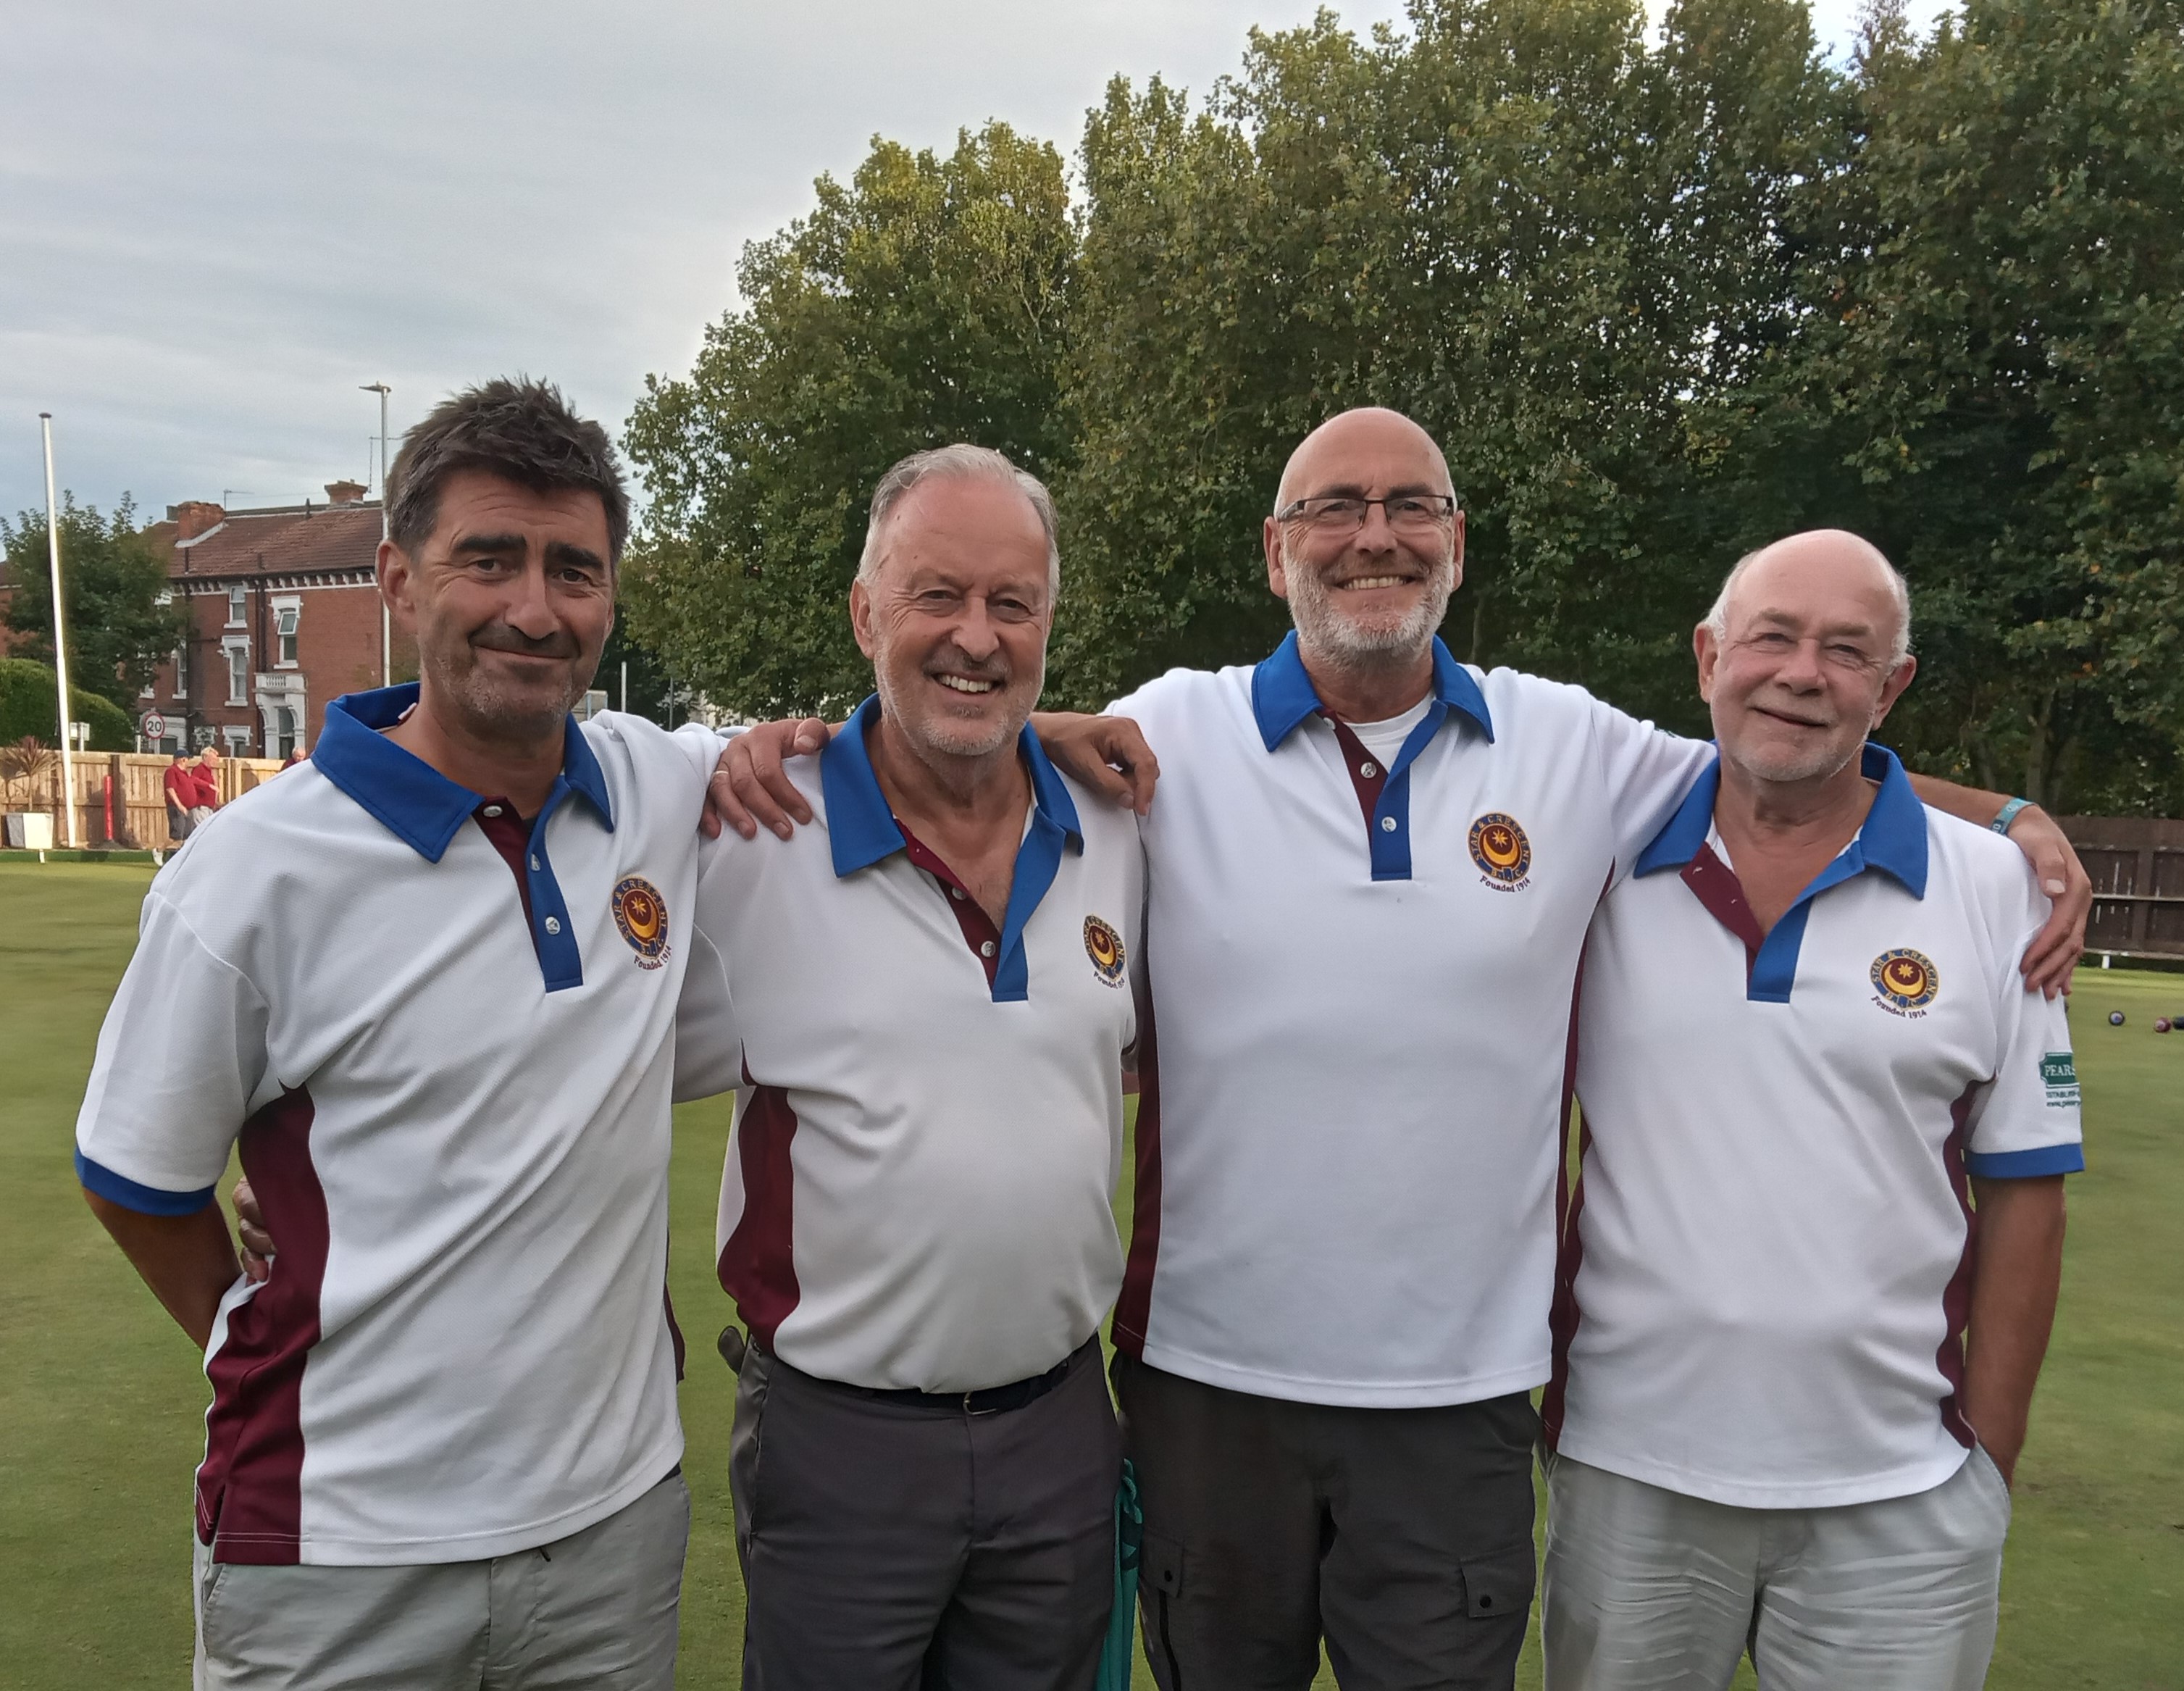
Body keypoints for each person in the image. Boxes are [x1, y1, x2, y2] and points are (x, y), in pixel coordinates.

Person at [717, 408, 2090, 1691]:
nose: (1373, 535)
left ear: (1454, 541)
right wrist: (859, 738)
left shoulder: (1569, 745)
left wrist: (2010, 817)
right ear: (1275, 550)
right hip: (1208, 1387)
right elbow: (968, 735)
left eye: (1410, 506)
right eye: (1334, 508)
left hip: (1460, 1401)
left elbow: (1782, 743)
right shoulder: (1163, 738)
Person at [75, 377, 726, 1690]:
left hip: (609, 1533)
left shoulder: (661, 787)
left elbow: (894, 745)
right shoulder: (252, 868)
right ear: (396, 577)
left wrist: (1041, 731)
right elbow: (135, 1175)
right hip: (335, 1552)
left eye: (573, 568)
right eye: (488, 558)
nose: (534, 607)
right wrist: (246, 1330)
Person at [1540, 532, 2080, 1691]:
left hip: (1901, 1494)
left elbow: (2028, 1186)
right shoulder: (1597, 849)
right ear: (1707, 657)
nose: (1802, 673)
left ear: (1893, 687)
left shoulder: (1998, 890)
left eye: (1847, 651)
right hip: (1630, 1471)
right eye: (1773, 637)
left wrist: (1988, 1460)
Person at [674, 445, 1141, 1690]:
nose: (976, 636)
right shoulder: (751, 828)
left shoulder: (1116, 826)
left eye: (1012, 603)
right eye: (937, 594)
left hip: (1057, 1425)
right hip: (839, 1438)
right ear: (863, 613)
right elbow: (567, 1035)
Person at [164, 750, 198, 840]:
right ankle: (170, 848)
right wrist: (180, 806)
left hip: (188, 809)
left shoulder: (184, 773)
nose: (188, 762)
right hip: (177, 808)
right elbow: (170, 789)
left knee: (188, 835)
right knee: (177, 834)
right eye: (187, 759)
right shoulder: (172, 771)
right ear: (183, 760)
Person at [191, 744, 222, 827]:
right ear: (205, 757)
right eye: (212, 759)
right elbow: (193, 780)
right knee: (203, 829)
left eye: (216, 759)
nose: (215, 761)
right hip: (201, 807)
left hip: (209, 808)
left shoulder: (209, 771)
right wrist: (209, 786)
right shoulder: (199, 769)